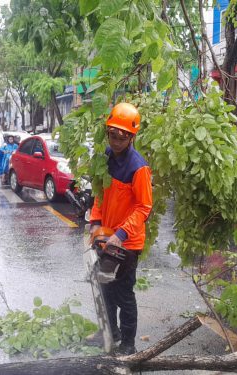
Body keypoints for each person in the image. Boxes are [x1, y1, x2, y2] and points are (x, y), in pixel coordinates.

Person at [88, 102, 153, 356]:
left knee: (123, 293)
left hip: (127, 242)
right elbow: (99, 194)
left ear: (132, 135)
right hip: (106, 236)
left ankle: (128, 343)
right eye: (112, 133)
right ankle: (110, 332)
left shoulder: (139, 168)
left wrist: (121, 234)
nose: (116, 139)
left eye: (122, 135)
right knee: (105, 288)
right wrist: (95, 223)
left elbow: (144, 207)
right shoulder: (105, 158)